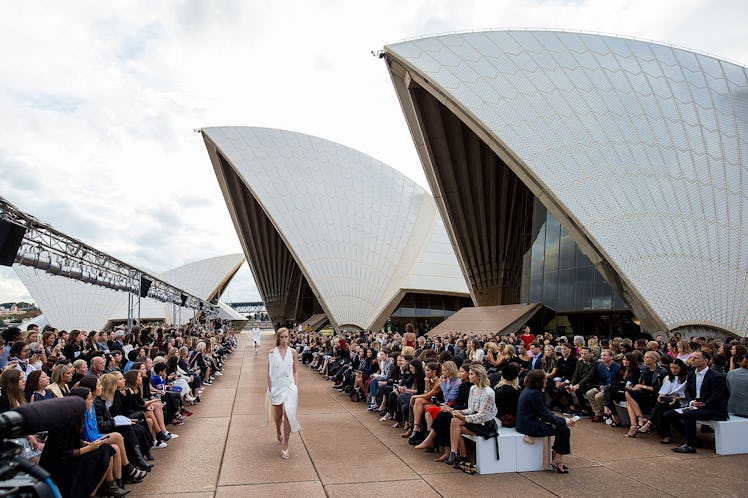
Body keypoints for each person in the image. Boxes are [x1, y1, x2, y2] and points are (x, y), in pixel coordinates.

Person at [39, 391, 129, 497]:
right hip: (58, 465)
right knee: (104, 453)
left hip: (70, 456)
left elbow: (72, 440)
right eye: (89, 399)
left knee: (106, 449)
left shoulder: (77, 417)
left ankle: (109, 487)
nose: (92, 401)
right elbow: (63, 453)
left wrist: (83, 443)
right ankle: (99, 491)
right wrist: (90, 447)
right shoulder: (65, 423)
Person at [661, 350, 728, 453]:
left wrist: (704, 404)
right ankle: (695, 440)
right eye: (691, 357)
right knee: (668, 415)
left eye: (695, 358)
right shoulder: (692, 374)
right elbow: (687, 391)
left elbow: (718, 395)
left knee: (688, 414)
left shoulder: (716, 376)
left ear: (706, 361)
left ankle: (690, 445)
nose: (691, 360)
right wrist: (692, 402)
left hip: (714, 409)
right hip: (695, 406)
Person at [516, 369, 576, 473]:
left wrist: (560, 420)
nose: (547, 381)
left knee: (561, 428)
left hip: (527, 422)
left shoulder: (530, 390)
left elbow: (544, 412)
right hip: (530, 426)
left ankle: (555, 455)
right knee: (564, 430)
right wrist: (564, 420)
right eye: (544, 379)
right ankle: (557, 459)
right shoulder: (535, 394)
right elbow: (545, 415)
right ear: (539, 381)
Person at [443, 364, 497, 468]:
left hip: (485, 424)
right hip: (474, 419)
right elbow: (471, 409)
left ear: (479, 376)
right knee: (454, 421)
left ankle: (461, 455)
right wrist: (457, 411)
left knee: (456, 424)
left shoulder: (489, 392)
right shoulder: (473, 388)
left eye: (472, 374)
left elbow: (483, 416)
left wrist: (463, 417)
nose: (469, 376)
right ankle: (455, 453)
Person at [266, 327, 300, 459]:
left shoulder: (293, 352)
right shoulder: (271, 353)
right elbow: (268, 373)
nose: (285, 339)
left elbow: (295, 370)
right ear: (278, 338)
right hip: (277, 387)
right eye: (282, 337)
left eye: (287, 337)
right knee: (279, 415)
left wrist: (296, 387)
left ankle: (286, 444)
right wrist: (270, 387)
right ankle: (277, 431)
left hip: (290, 386)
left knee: (288, 415)